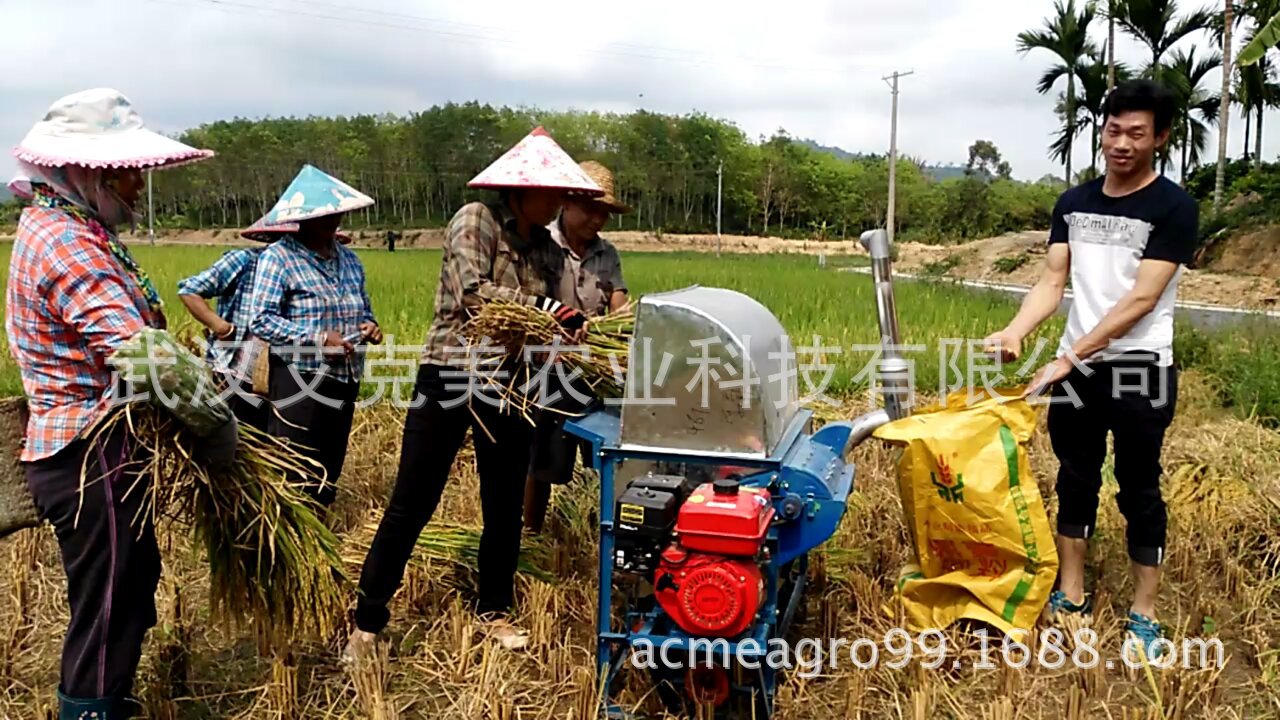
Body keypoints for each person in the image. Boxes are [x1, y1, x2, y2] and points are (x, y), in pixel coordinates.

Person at [344, 127, 603, 659]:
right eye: (550, 192)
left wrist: (568, 331)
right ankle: (367, 621)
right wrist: (551, 313)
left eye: (561, 194)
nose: (557, 203)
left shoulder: (546, 251)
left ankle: (493, 611)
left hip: (509, 382)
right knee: (413, 499)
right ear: (519, 189)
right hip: (451, 374)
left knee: (504, 502)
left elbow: (548, 320)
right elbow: (474, 294)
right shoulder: (476, 219)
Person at [5, 88, 221, 719]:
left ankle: (109, 699)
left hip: (96, 449)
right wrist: (213, 422)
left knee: (126, 587)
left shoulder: (69, 229)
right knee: (107, 605)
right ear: (87, 172)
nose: (136, 189)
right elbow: (142, 355)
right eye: (128, 174)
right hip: (87, 455)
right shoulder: (65, 242)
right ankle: (92, 709)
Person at [983, 79, 1196, 660]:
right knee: (1076, 477)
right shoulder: (1074, 203)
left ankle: (1144, 612)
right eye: (1113, 130)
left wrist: (1068, 357)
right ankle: (1071, 594)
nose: (1121, 143)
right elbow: (1054, 281)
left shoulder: (1173, 207)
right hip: (1075, 369)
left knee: (1139, 488)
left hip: (1139, 368)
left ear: (1160, 138)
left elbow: (1140, 302)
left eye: (1136, 133)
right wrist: (1016, 331)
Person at [245, 165, 381, 508]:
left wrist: (370, 326)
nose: (333, 222)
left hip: (344, 376)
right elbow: (260, 320)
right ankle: (289, 543)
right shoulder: (279, 258)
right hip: (299, 379)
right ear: (302, 219)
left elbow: (363, 308)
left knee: (327, 467)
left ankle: (318, 535)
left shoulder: (349, 260)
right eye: (324, 215)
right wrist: (318, 340)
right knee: (293, 467)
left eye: (337, 214)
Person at [523, 159, 631, 533]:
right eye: (590, 209)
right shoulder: (541, 245)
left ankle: (607, 533)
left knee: (607, 458)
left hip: (598, 370)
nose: (597, 220)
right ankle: (532, 533)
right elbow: (529, 302)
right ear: (566, 203)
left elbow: (619, 301)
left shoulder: (608, 254)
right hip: (551, 369)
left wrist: (616, 326)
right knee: (543, 461)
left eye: (604, 213)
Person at [176, 216, 354, 432]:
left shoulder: (310, 272)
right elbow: (189, 290)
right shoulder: (245, 260)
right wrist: (222, 327)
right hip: (238, 372)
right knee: (238, 441)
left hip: (285, 375)